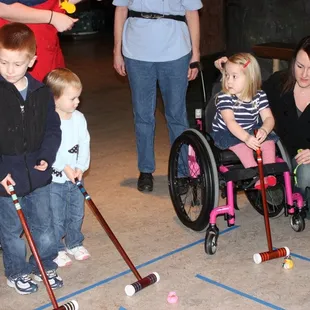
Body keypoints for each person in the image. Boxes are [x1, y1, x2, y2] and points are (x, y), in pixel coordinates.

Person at [113, 0, 202, 192]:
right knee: (143, 115)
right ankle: (145, 170)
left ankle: (182, 172)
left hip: (176, 51)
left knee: (176, 115)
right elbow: (121, 10)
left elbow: (192, 13)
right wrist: (116, 51)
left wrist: (195, 55)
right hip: (136, 52)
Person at [215, 37, 310, 216]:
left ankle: (298, 197)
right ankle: (271, 182)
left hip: (304, 161)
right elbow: (246, 90)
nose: (304, 74)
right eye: (299, 66)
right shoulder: (278, 84)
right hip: (280, 158)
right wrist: (228, 73)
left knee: (306, 173)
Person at [0, 23, 62, 294]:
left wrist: (47, 157)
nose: (9, 69)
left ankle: (43, 265)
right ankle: (15, 271)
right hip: (6, 178)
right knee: (12, 232)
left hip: (38, 175)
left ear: (32, 61)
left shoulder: (41, 93)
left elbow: (52, 129)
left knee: (45, 227)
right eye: (2, 61)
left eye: (17, 63)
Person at [45, 68, 91, 267]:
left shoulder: (79, 118)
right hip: (54, 180)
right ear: (55, 98)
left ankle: (74, 243)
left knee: (76, 212)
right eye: (72, 98)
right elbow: (47, 150)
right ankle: (56, 248)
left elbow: (84, 143)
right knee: (56, 216)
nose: (77, 102)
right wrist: (64, 167)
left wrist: (81, 166)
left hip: (75, 177)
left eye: (78, 97)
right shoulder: (48, 122)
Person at [211, 53, 278, 189]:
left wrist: (264, 130)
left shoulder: (259, 95)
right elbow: (230, 122)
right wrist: (247, 138)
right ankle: (255, 175)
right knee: (244, 148)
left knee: (269, 143)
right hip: (226, 132)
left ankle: (269, 173)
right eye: (227, 75)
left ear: (250, 78)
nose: (229, 81)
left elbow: (269, 118)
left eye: (234, 76)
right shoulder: (225, 97)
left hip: (250, 128)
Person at [0, 0, 80, 81]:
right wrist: (52, 17)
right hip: (22, 35)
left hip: (47, 37)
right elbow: (2, 8)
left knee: (55, 85)